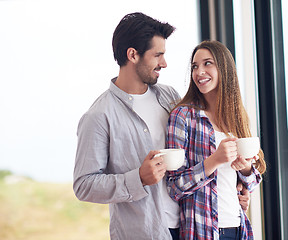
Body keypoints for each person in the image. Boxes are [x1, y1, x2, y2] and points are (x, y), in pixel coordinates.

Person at [73, 12, 180, 240]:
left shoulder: (170, 97)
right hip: (144, 233)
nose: (164, 63)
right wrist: (138, 178)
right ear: (133, 55)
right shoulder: (99, 115)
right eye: (158, 55)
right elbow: (84, 185)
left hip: (189, 226)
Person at [165, 40, 267, 240]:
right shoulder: (183, 116)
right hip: (203, 231)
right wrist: (214, 160)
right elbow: (174, 186)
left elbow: (252, 180)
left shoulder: (236, 118)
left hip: (239, 228)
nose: (199, 71)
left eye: (207, 63)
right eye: (195, 66)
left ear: (224, 68)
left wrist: (245, 169)